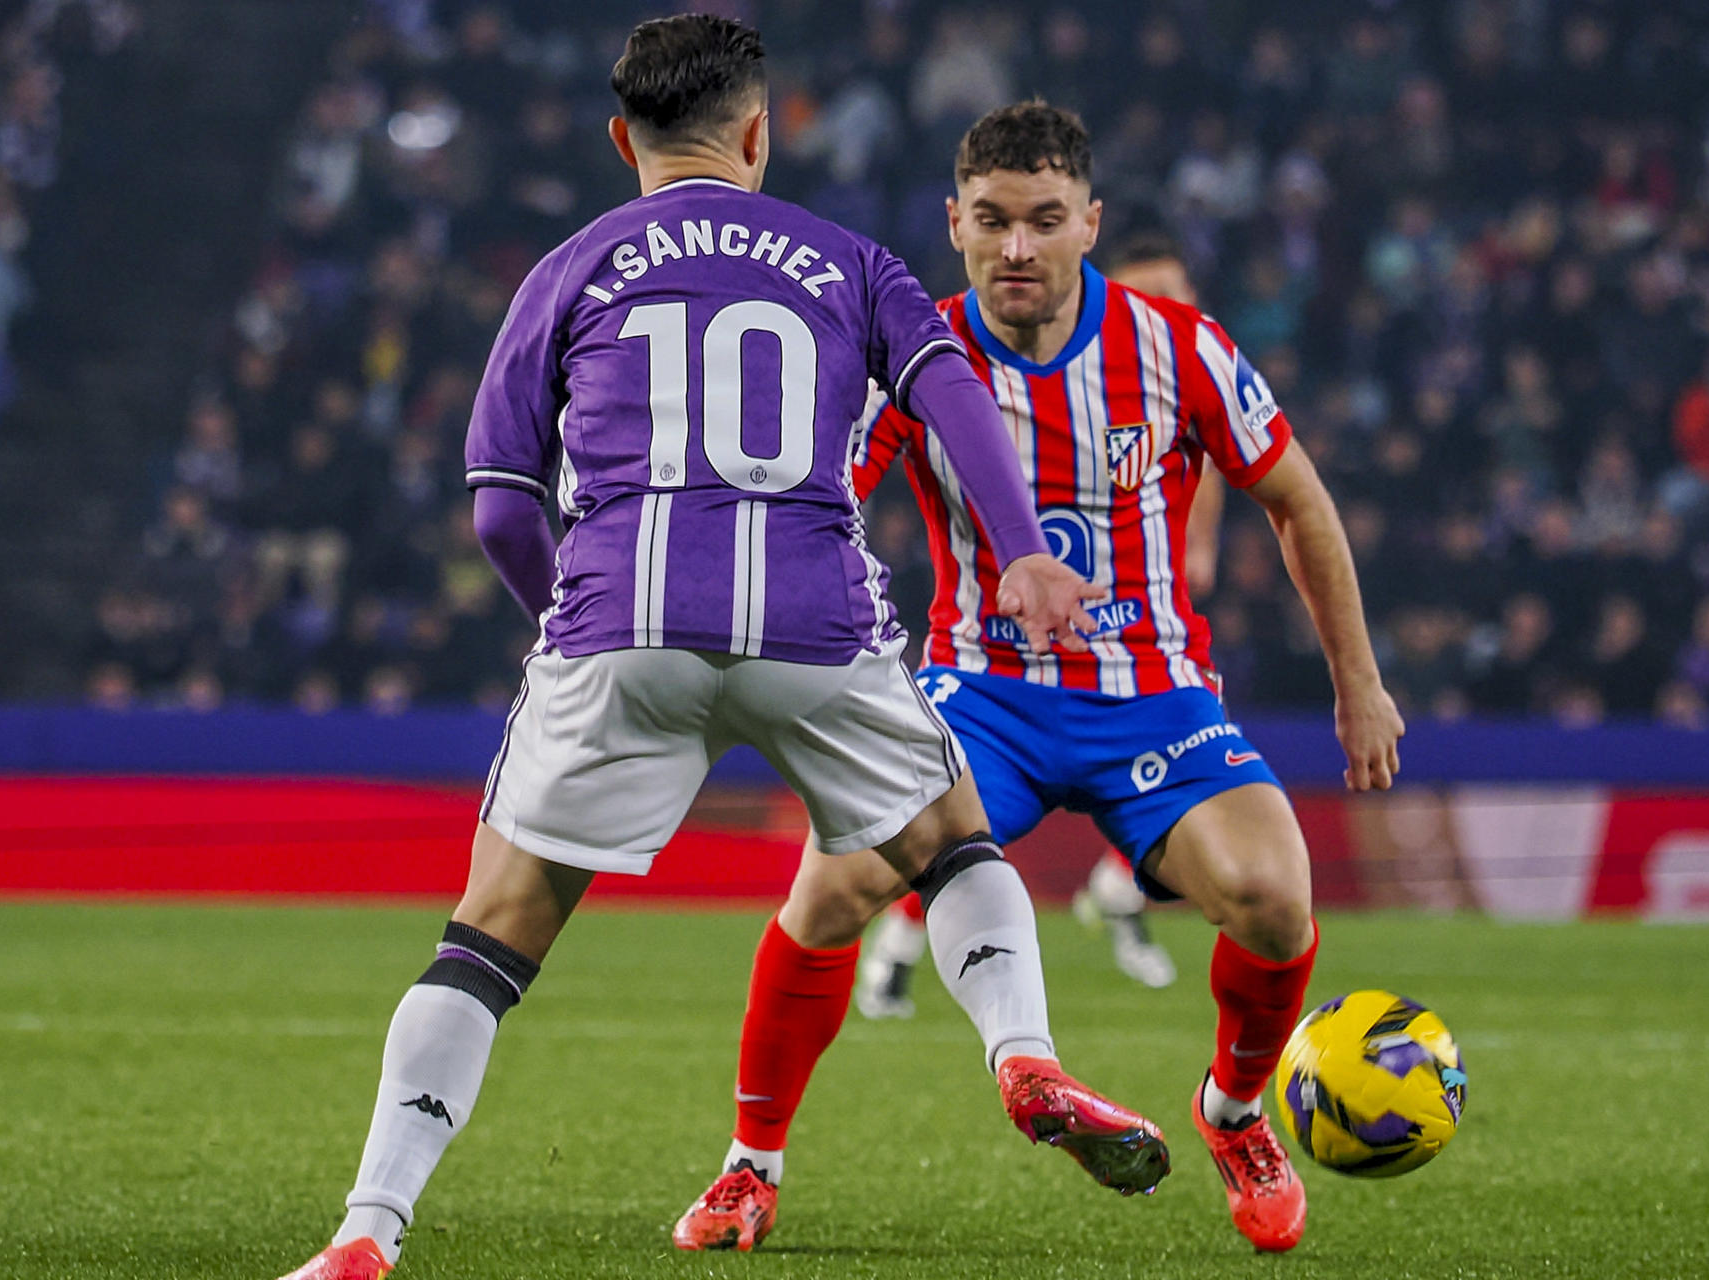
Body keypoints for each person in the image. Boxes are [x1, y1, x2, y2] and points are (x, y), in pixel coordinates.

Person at [278, 24, 1168, 1280]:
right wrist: (1021, 549)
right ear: (761, 131)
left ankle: (368, 1231)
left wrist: (566, 622)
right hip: (814, 618)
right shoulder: (847, 258)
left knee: (488, 936)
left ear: (620, 138)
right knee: (952, 843)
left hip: (620, 619)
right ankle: (1021, 1051)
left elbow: (496, 502)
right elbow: (950, 387)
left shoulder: (569, 266)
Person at [673, 102, 1404, 1257]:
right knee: (826, 893)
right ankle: (748, 1168)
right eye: (996, 220)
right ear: (955, 223)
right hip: (983, 699)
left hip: (1154, 698)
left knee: (1275, 894)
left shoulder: (1180, 346)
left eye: (1047, 221)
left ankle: (1236, 1113)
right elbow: (818, 508)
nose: (1019, 247)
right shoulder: (913, 359)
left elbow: (1299, 500)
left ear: (1090, 225)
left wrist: (1359, 683)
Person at [854, 231, 1219, 1012]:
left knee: (1217, 808)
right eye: (1152, 295)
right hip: (1000, 652)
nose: (1169, 312)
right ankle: (898, 940)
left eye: (1178, 298)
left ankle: (1119, 892)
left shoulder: (1178, 377)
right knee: (945, 827)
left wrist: (1200, 549)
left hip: (1130, 646)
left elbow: (1209, 463)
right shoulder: (1004, 382)